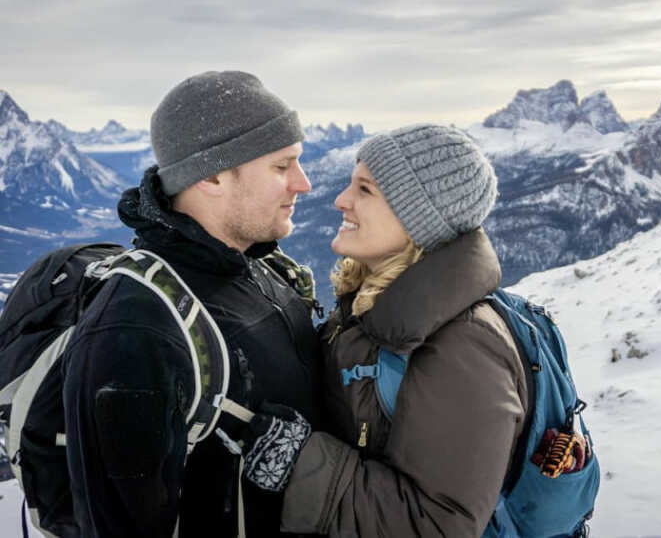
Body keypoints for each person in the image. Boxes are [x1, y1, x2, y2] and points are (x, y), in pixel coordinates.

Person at [61, 71, 323, 537]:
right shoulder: (135, 330)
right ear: (213, 176)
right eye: (282, 167)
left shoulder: (263, 270)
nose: (302, 184)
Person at [240, 124, 529, 537]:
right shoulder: (375, 307)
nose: (341, 200)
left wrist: (299, 464)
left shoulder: (462, 346)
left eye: (365, 190)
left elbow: (437, 523)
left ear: (418, 221)